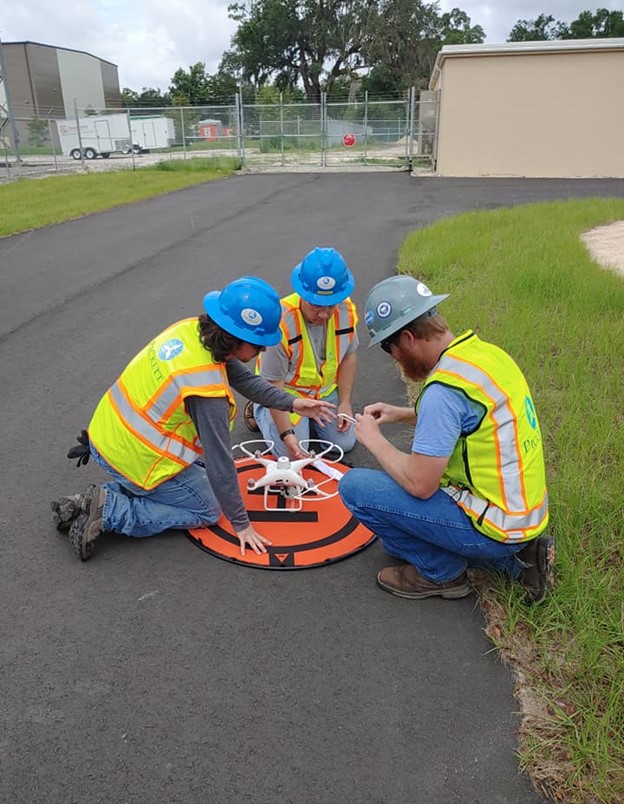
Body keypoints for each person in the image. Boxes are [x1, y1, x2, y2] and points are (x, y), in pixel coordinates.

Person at [51, 277, 336, 562]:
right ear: (237, 338)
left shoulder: (193, 332)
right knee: (208, 509)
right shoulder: (207, 392)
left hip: (106, 436)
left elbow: (246, 380)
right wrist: (241, 524)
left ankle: (87, 503)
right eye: (258, 345)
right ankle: (112, 511)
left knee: (199, 480)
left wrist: (294, 403)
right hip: (135, 458)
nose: (262, 352)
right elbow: (220, 461)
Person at [338, 274, 555, 604]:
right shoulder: (484, 355)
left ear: (408, 338)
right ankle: (519, 562)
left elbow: (419, 484)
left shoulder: (443, 392)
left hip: (494, 524)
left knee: (355, 488)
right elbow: (470, 417)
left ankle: (441, 573)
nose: (393, 357)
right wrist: (402, 412)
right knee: (402, 535)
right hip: (524, 514)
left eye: (388, 346)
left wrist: (373, 439)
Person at [248, 247, 359, 460]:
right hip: (286, 395)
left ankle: (310, 425)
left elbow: (348, 357)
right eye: (316, 305)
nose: (324, 314)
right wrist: (287, 433)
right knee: (294, 455)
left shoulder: (346, 312)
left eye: (330, 305)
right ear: (302, 293)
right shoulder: (281, 322)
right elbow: (274, 383)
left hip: (324, 394)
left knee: (344, 444)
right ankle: (259, 410)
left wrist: (345, 403)